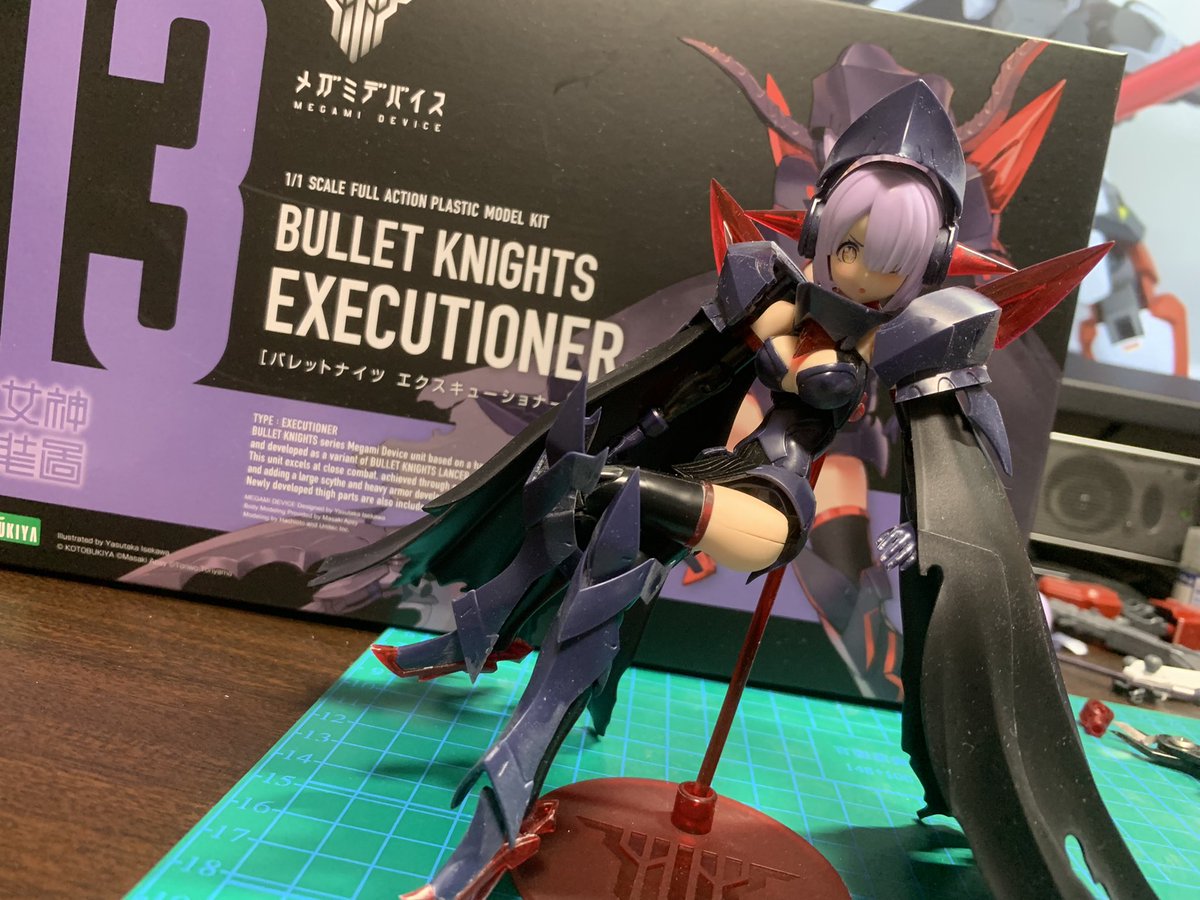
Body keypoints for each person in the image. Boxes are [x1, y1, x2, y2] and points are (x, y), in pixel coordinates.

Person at [313, 81, 1153, 899]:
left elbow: (956, 459)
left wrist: (932, 535)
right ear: (820, 226)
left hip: (774, 507)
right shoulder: (780, 295)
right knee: (581, 481)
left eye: (890, 261)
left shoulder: (907, 338)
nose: (862, 273)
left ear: (930, 263)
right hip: (722, 470)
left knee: (619, 500)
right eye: (850, 247)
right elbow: (692, 374)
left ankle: (490, 797)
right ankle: (486, 637)